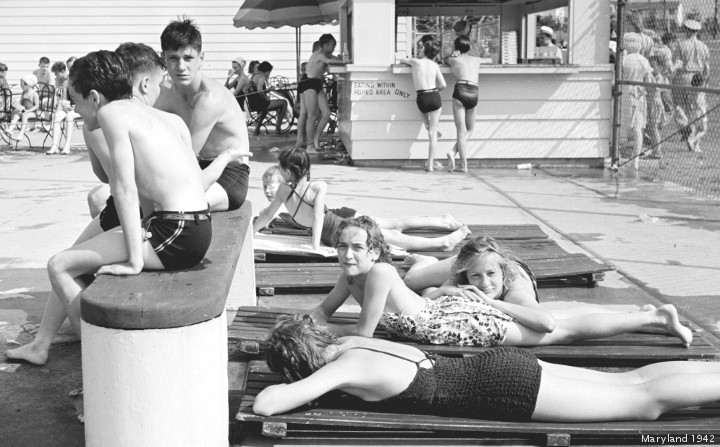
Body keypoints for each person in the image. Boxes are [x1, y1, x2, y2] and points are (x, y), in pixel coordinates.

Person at [6, 49, 211, 365]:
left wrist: (133, 260)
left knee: (59, 265)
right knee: (74, 259)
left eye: (75, 100)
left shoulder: (111, 114)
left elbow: (124, 190)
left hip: (176, 230)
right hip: (193, 227)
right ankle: (54, 345)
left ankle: (101, 362)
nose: (74, 109)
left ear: (94, 97)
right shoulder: (161, 116)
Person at [255, 313, 720, 423]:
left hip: (504, 388)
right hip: (495, 367)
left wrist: (300, 381)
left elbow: (266, 404)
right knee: (631, 382)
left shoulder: (340, 369)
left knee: (642, 403)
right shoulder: (352, 343)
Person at [310, 217, 692, 347]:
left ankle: (655, 318)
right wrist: (308, 322)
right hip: (445, 309)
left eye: (357, 247)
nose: (348, 254)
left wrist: (316, 332)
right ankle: (642, 315)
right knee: (557, 320)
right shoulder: (349, 276)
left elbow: (364, 334)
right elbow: (322, 312)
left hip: (457, 322)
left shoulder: (378, 272)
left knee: (558, 331)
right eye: (342, 246)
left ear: (375, 251)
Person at [253, 147, 470, 251]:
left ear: (289, 171)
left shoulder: (316, 187)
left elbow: (318, 218)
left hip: (341, 224)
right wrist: (250, 234)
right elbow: (267, 215)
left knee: (392, 235)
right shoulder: (288, 189)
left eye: (281, 168)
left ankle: (443, 242)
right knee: (393, 230)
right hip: (335, 230)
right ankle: (443, 226)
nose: (279, 172)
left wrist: (315, 247)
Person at [155, 17, 251, 212]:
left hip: (229, 173)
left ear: (201, 59)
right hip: (198, 167)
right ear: (163, 58)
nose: (181, 66)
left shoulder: (210, 98)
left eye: (188, 58)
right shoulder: (164, 92)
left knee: (173, 205)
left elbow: (186, 155)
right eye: (173, 58)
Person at [399, 41, 446, 172]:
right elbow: (443, 85)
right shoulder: (435, 65)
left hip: (422, 97)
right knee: (432, 134)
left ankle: (428, 125)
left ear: (424, 49)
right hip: (434, 96)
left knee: (426, 122)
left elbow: (402, 59)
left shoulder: (416, 62)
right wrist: (435, 91)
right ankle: (430, 164)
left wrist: (408, 58)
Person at [672, 19, 709, 153]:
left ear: (687, 30)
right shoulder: (704, 47)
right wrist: (705, 81)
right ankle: (695, 140)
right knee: (697, 109)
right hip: (698, 78)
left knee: (679, 106)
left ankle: (685, 127)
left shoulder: (681, 45)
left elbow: (677, 63)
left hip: (682, 77)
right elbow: (707, 68)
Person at [446, 36, 481, 173]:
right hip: (474, 91)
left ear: (456, 47)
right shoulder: (476, 60)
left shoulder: (453, 59)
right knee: (469, 130)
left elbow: (443, 59)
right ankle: (454, 153)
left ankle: (463, 164)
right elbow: (488, 60)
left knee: (461, 130)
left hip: (460, 89)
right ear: (469, 47)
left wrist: (453, 54)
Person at [302, 34, 342, 153]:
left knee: (326, 113)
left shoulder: (326, 54)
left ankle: (315, 138)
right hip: (309, 84)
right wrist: (345, 60)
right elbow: (329, 61)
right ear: (325, 45)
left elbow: (335, 59)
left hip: (317, 84)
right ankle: (309, 146)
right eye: (332, 45)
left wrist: (343, 59)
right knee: (312, 116)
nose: (334, 48)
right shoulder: (318, 54)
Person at [620, 33, 652, 169]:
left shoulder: (623, 60)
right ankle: (636, 159)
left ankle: (619, 156)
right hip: (639, 93)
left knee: (621, 124)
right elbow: (648, 80)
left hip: (625, 91)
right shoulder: (644, 61)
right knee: (638, 128)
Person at [46, 61, 81, 155]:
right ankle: (54, 146)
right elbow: (63, 98)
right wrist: (63, 106)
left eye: (56, 73)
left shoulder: (74, 79)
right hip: (68, 106)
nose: (55, 75)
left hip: (77, 106)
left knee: (69, 117)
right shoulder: (60, 81)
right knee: (57, 116)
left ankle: (67, 146)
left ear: (62, 71)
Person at [246, 61, 289, 136]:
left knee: (264, 111)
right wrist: (266, 98)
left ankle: (256, 130)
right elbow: (259, 90)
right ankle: (278, 129)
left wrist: (268, 90)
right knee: (284, 102)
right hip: (260, 104)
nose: (269, 73)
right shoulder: (262, 76)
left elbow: (257, 91)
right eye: (269, 72)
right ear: (266, 70)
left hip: (253, 104)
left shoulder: (254, 76)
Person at [644, 55, 669, 160]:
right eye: (649, 66)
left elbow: (654, 88)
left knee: (654, 127)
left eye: (653, 66)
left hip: (655, 103)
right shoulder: (651, 76)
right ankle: (654, 148)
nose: (651, 68)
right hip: (650, 102)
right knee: (650, 128)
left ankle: (657, 151)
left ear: (660, 67)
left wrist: (648, 75)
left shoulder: (659, 77)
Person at [5, 74, 39, 142]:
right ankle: (10, 129)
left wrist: (28, 111)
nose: (20, 85)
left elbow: (36, 106)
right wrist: (17, 105)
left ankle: (21, 134)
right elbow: (21, 103)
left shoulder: (34, 94)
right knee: (17, 115)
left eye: (22, 84)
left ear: (28, 84)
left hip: (32, 113)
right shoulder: (23, 93)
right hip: (24, 111)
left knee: (25, 115)